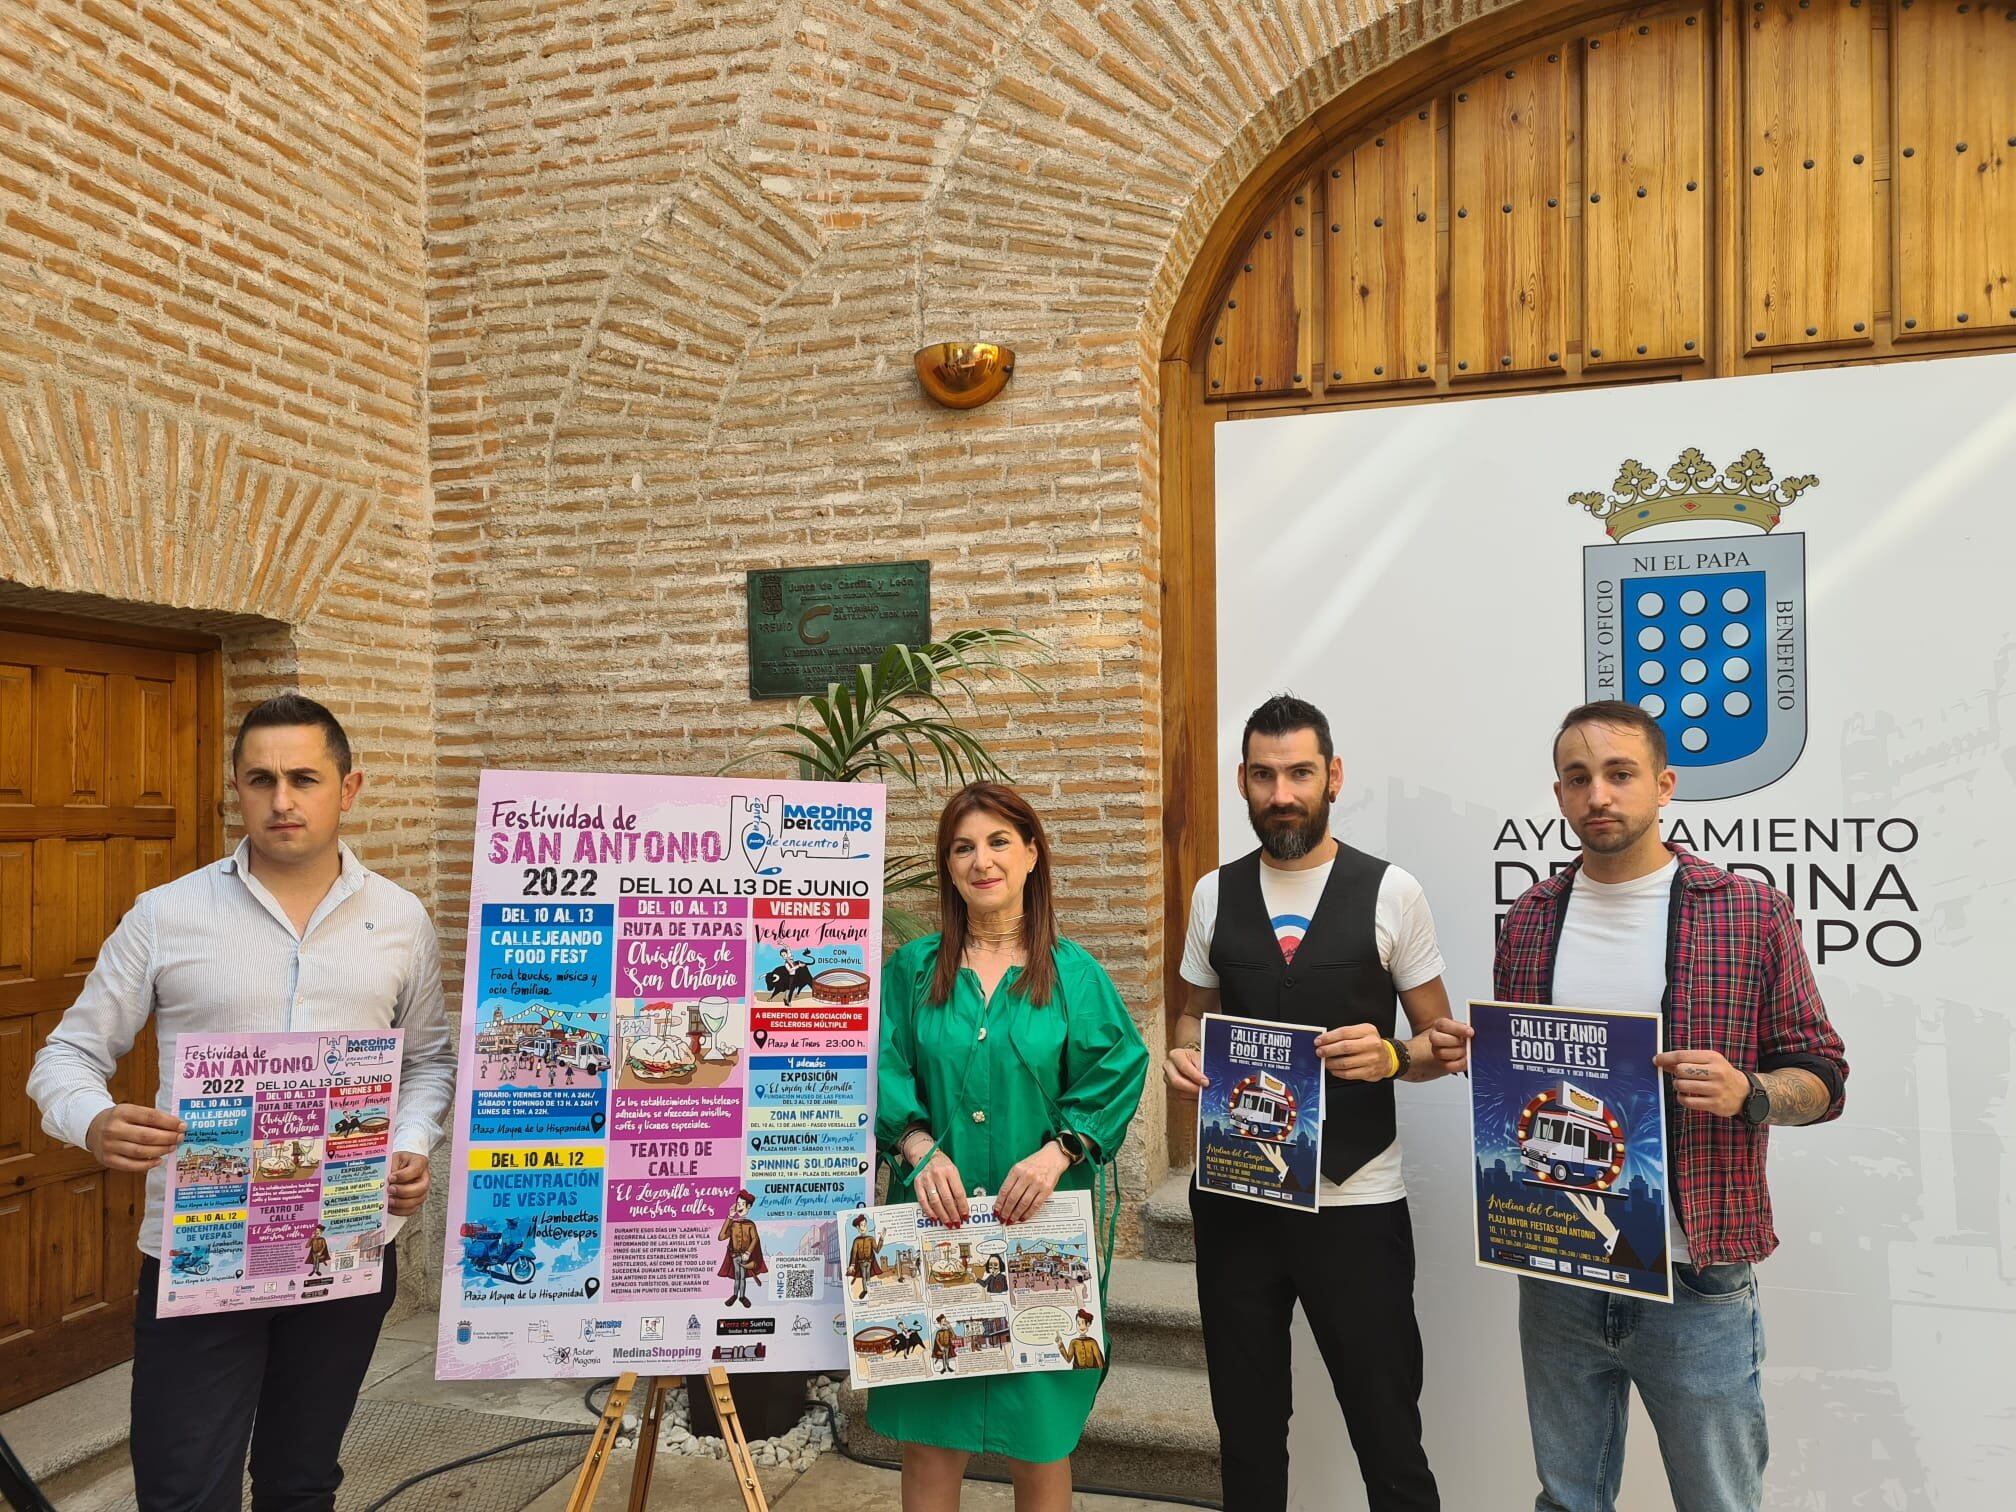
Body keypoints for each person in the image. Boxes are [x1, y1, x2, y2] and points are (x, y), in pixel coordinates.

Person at [27, 693, 457, 1512]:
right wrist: (93, 1118)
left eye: (304, 778)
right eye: (261, 779)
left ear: (351, 787)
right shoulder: (167, 914)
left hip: (346, 1241)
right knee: (185, 1486)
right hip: (204, 1252)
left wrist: (410, 1141)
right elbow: (68, 1054)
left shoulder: (400, 919)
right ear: (235, 788)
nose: (282, 800)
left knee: (302, 1479)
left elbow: (429, 1061)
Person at [1428, 700, 1849, 1512]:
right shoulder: (1530, 920)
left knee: (1719, 1500)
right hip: (1559, 1268)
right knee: (1566, 1497)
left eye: (1621, 775)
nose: (1600, 796)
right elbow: (1526, 1085)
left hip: (1697, 1277)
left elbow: (1822, 1074)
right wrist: (1471, 1056)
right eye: (1579, 779)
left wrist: (1750, 1092)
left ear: (1665, 786)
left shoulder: (1747, 911)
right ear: (1559, 795)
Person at [1164, 694, 1462, 1512]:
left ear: (1333, 776)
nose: (1282, 794)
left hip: (1356, 1205)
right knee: (1248, 1433)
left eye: (1299, 773)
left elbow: (1446, 1044)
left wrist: (1394, 1054)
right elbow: (1191, 1012)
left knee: (1388, 1432)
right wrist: (1183, 1053)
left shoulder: (1392, 892)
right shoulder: (1213, 895)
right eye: (1264, 776)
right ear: (1243, 782)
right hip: (1237, 1201)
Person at [876, 781, 1149, 1512]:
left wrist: (1062, 1148)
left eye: (999, 842)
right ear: (948, 866)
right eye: (963, 847)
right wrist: (917, 1143)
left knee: (1041, 1440)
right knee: (931, 1444)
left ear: (1032, 854)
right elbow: (882, 1065)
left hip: (1042, 1235)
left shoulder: (1073, 976)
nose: (981, 860)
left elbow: (1119, 1067)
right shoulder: (913, 972)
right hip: (938, 1230)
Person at [716, 1188, 766, 1307]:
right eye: (738, 1204)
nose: (739, 1206)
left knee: (742, 1277)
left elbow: (755, 1239)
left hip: (745, 1256)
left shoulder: (750, 1224)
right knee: (737, 1277)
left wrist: (748, 1252)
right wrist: (729, 1216)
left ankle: (742, 1297)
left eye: (742, 1204)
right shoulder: (733, 1224)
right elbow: (721, 1236)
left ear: (748, 1207)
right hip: (734, 1255)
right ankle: (734, 1295)